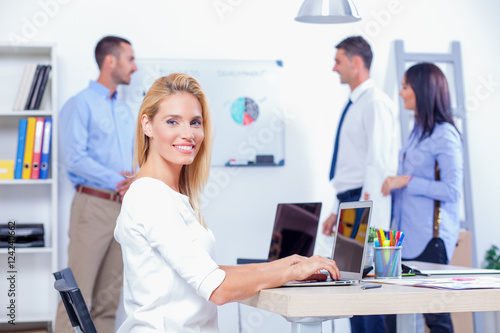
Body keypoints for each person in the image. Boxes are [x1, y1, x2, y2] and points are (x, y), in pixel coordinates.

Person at [114, 73, 341, 332]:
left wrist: (286, 264)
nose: (187, 134)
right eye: (172, 121)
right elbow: (217, 288)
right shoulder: (149, 197)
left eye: (195, 122)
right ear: (147, 125)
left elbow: (207, 271)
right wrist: (291, 274)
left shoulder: (167, 194)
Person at [56, 36, 137, 333]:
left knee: (108, 301)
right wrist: (120, 180)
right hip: (93, 207)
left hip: (124, 209)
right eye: (130, 59)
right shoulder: (79, 104)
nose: (135, 66)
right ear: (110, 61)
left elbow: (133, 163)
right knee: (76, 298)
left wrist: (136, 181)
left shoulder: (127, 112)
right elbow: (75, 160)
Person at [321, 36, 398, 333]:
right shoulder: (355, 104)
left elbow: (376, 164)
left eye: (338, 61)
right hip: (349, 202)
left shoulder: (376, 103)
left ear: (356, 62)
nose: (334, 68)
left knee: (366, 289)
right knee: (353, 290)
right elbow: (347, 169)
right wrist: (335, 211)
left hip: (362, 205)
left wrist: (366, 217)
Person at [382, 63, 463, 333]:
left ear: (422, 90)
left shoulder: (445, 135)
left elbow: (452, 191)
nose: (401, 92)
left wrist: (407, 181)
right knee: (392, 314)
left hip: (431, 241)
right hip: (404, 240)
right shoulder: (417, 133)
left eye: (406, 86)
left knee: (436, 317)